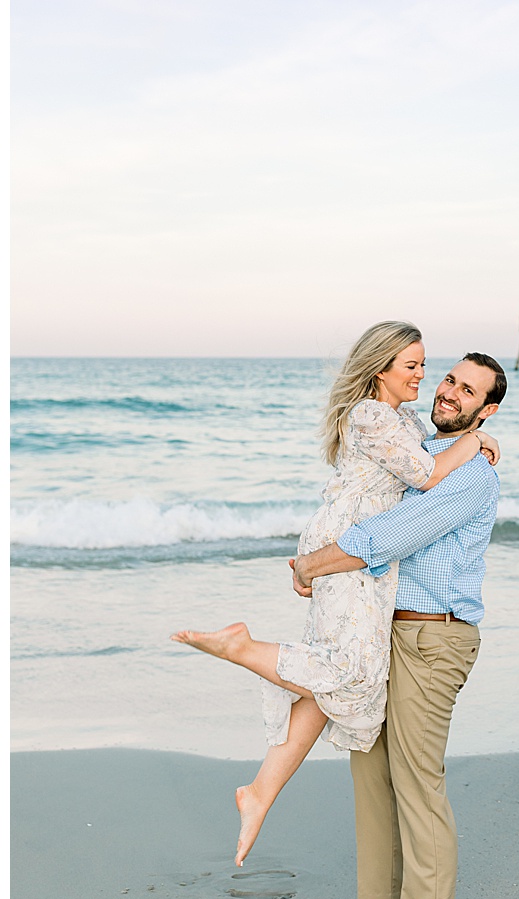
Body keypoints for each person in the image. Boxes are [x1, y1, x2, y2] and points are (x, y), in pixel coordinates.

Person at [173, 323, 496, 867]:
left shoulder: (403, 418)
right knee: (348, 673)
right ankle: (242, 648)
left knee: (332, 685)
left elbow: (428, 453)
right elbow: (424, 473)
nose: (425, 377)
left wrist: (474, 437)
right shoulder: (372, 414)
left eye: (425, 366)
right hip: (352, 546)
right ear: (380, 369)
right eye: (415, 366)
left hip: (361, 551)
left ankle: (259, 794)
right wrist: (473, 441)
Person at [290, 350, 507, 899]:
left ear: (485, 411)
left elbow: (390, 535)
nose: (449, 393)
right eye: (448, 379)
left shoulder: (467, 477)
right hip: (391, 633)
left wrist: (311, 565)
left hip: (432, 639)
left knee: (416, 780)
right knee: (372, 768)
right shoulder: (428, 455)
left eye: (468, 392)